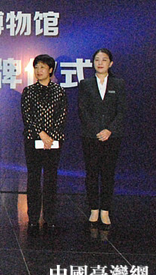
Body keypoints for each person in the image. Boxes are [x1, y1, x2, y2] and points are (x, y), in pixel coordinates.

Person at [78, 48, 126, 229]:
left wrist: (109, 130)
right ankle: (93, 209)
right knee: (91, 173)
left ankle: (105, 210)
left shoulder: (119, 84)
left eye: (104, 60)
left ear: (110, 63)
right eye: (97, 59)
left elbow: (122, 111)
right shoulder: (86, 84)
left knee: (107, 174)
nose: (100, 63)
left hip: (112, 137)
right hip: (90, 136)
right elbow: (82, 110)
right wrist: (97, 130)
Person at [21, 54, 67, 233]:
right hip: (33, 140)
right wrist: (41, 134)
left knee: (50, 179)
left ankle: (50, 217)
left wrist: (51, 137)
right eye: (36, 67)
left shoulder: (59, 91)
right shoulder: (28, 91)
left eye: (42, 67)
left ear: (50, 70)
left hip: (54, 142)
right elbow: (27, 116)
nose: (39, 71)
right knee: (33, 178)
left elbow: (61, 116)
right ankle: (33, 217)